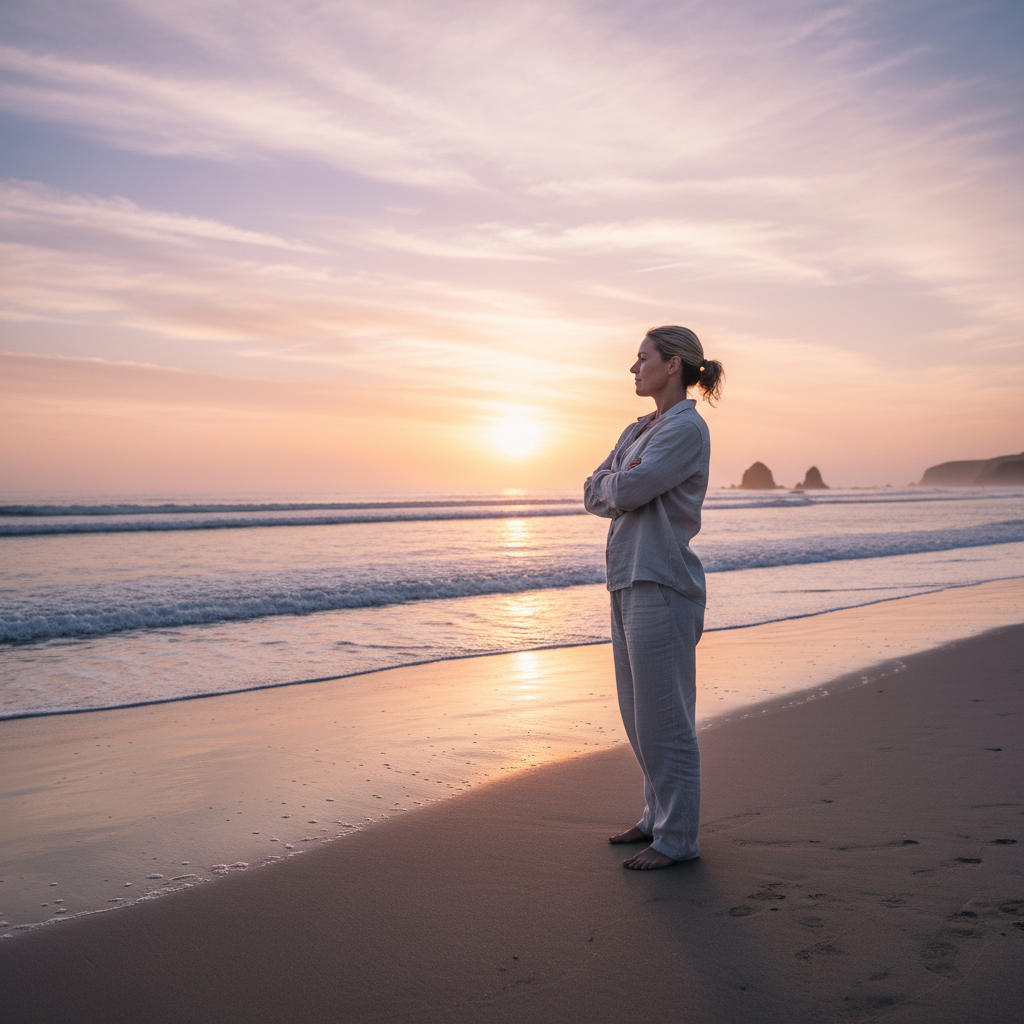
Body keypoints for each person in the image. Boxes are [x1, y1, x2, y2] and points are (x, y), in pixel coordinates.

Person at [584, 326, 724, 870]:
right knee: (638, 715)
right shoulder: (637, 428)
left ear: (672, 365)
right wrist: (616, 480)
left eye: (642, 358)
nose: (633, 368)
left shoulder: (686, 428)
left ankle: (678, 838)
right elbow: (594, 489)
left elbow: (622, 490)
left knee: (666, 719)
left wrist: (616, 482)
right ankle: (655, 818)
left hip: (663, 583)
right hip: (626, 579)